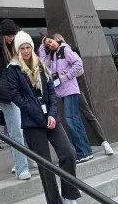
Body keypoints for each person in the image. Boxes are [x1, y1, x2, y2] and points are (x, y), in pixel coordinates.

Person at [3, 31, 88, 204]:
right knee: (46, 167)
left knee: (68, 152)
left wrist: (51, 113)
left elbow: (50, 89)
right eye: (22, 48)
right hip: (33, 123)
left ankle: (68, 196)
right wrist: (39, 116)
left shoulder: (40, 63)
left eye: (28, 47)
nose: (25, 51)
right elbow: (15, 96)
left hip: (50, 118)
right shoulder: (13, 69)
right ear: (17, 49)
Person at [0, 19, 31, 180]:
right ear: (2, 35)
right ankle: (21, 167)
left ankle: (24, 161)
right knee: (16, 129)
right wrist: (0, 88)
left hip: (17, 94)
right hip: (5, 97)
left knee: (21, 128)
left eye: (13, 35)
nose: (11, 38)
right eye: (8, 35)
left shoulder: (16, 47)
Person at [39, 34, 93, 163]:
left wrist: (67, 76)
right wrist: (42, 46)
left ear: (56, 40)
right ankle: (87, 151)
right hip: (62, 91)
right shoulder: (53, 55)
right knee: (75, 121)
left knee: (70, 120)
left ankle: (81, 152)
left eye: (50, 42)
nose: (50, 45)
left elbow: (78, 63)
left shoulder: (64, 49)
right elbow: (43, 64)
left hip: (70, 89)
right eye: (47, 45)